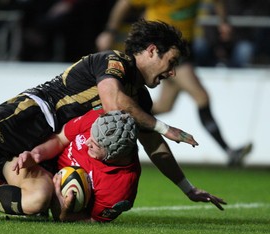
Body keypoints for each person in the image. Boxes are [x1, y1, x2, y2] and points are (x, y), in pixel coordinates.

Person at [0, 19, 199, 217]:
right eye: (171, 62)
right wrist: (165, 126)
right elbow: (114, 102)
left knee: (36, 199)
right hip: (32, 116)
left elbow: (155, 147)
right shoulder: (113, 61)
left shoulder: (139, 99)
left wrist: (187, 187)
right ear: (152, 50)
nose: (171, 73)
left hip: (47, 144)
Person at [0, 109, 226, 222]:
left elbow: (85, 220)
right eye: (92, 139)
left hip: (44, 188)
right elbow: (60, 140)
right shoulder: (98, 120)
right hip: (33, 159)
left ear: (117, 155)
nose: (89, 146)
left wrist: (64, 208)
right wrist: (34, 155)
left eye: (96, 148)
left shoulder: (121, 189)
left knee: (37, 200)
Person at [95, 0, 253, 166]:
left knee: (164, 106)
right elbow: (125, 3)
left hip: (183, 50)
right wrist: (110, 31)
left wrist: (223, 22)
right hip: (163, 52)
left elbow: (218, 2)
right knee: (201, 97)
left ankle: (111, 117)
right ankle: (229, 151)